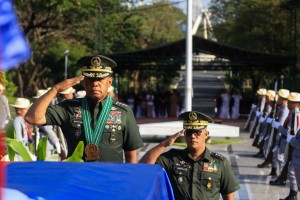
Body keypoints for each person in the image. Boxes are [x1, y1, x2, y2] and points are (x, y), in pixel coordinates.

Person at [25, 55, 144, 163]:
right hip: (78, 179)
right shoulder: (69, 108)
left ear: (109, 82)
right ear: (84, 83)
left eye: (100, 80)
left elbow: (131, 154)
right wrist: (55, 89)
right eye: (91, 80)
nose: (95, 84)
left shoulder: (123, 111)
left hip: (110, 180)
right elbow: (32, 117)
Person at [139, 111, 240, 200]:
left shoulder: (220, 163)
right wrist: (164, 144)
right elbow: (143, 166)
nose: (192, 136)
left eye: (198, 132)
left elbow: (228, 195)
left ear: (206, 134)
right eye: (189, 132)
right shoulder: (172, 158)